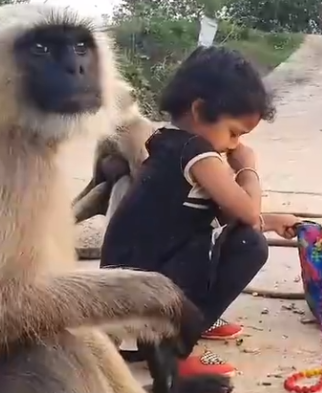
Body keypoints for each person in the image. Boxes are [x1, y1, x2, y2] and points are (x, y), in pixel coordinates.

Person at [101, 46, 300, 377]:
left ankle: (173, 333)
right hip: (144, 285)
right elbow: (247, 217)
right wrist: (248, 169)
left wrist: (275, 222)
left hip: (132, 274)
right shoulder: (198, 152)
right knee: (251, 246)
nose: (235, 145)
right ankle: (175, 348)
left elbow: (219, 217)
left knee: (239, 238)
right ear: (199, 110)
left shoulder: (167, 142)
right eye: (234, 132)